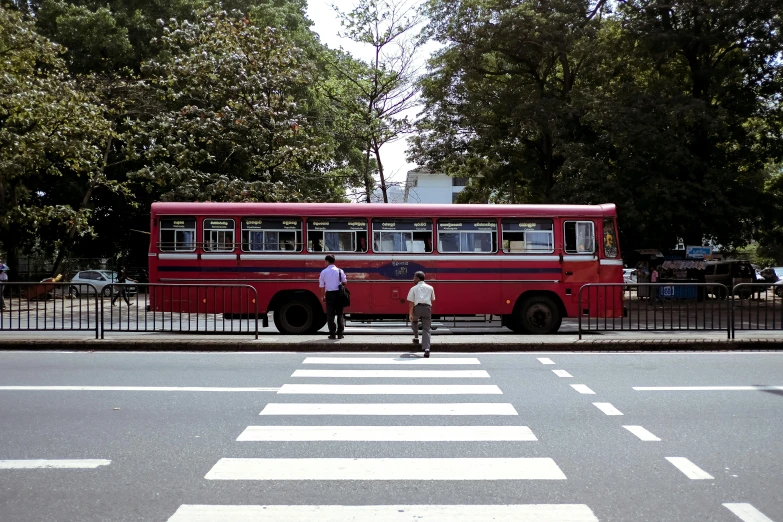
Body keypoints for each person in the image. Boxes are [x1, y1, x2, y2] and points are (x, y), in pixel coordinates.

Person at [407, 271, 436, 358]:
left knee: (414, 320)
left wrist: (410, 314)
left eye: (414, 277)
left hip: (417, 308)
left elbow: (411, 302)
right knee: (426, 329)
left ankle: (416, 337)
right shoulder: (430, 287)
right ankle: (427, 349)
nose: (413, 279)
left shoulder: (413, 288)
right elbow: (433, 299)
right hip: (427, 308)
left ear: (418, 279)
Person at [319, 254, 347, 339]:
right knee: (340, 314)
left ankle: (332, 333)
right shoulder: (339, 271)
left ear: (327, 261)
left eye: (325, 261)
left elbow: (321, 286)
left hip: (329, 295)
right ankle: (340, 333)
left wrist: (322, 296)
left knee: (330, 316)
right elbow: (345, 282)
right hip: (338, 295)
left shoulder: (323, 272)